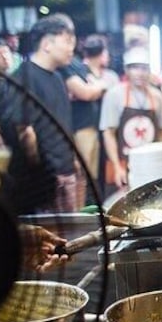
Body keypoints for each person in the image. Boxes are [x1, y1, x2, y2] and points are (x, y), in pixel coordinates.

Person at [13, 14, 78, 213]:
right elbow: (24, 131)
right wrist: (43, 174)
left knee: (71, 238)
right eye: (67, 41)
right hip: (49, 182)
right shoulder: (24, 77)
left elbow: (63, 122)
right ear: (47, 44)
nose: (71, 48)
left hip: (67, 171)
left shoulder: (58, 78)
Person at [99, 47, 162, 189]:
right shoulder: (114, 94)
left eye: (144, 68)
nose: (140, 73)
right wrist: (117, 166)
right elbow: (109, 133)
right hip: (123, 162)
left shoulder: (157, 96)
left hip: (151, 164)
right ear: (127, 70)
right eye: (135, 68)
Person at [61, 34, 119, 205]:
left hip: (95, 128)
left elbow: (90, 89)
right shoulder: (72, 67)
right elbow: (86, 93)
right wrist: (101, 87)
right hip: (82, 127)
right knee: (82, 174)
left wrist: (95, 87)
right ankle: (80, 212)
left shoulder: (84, 69)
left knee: (91, 175)